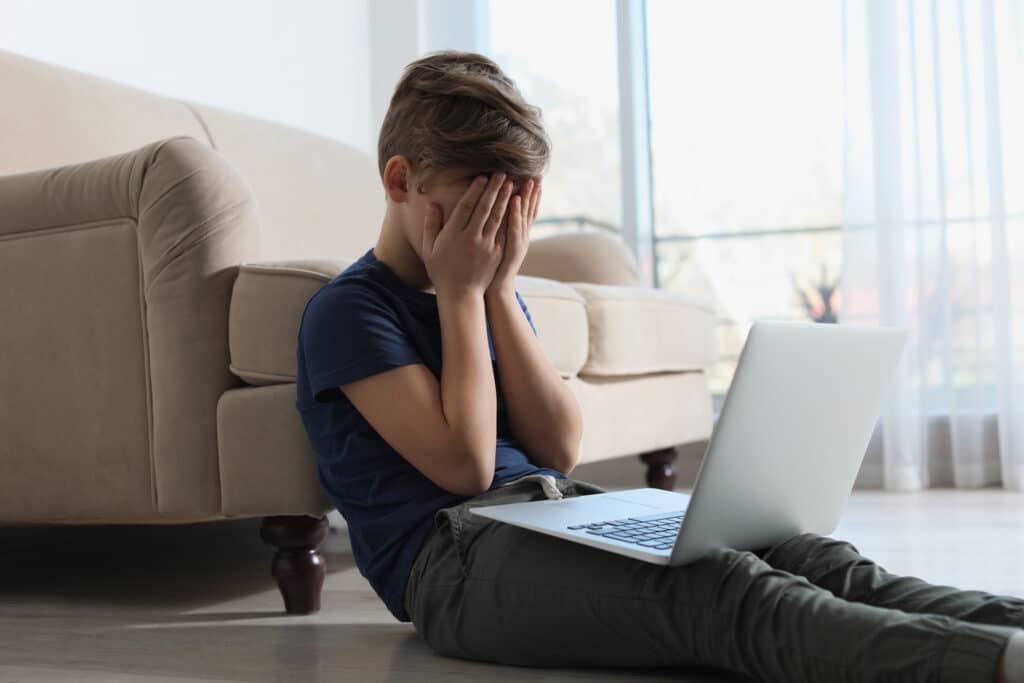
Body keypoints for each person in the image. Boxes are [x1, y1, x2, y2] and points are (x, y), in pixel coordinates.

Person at [295, 49, 1024, 683]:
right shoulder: (348, 312)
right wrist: (461, 294)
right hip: (451, 562)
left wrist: (500, 290)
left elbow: (558, 446)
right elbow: (465, 467)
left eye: (514, 214)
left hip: (559, 506)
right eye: (479, 212)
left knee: (817, 560)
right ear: (401, 182)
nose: (496, 236)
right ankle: (993, 663)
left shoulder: (487, 288)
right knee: (727, 593)